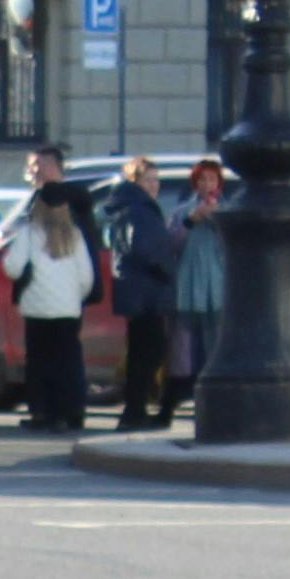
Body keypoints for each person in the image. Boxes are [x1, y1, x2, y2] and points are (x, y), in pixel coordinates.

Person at [104, 158, 187, 427]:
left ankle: (135, 409)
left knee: (143, 351)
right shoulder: (138, 208)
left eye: (156, 179)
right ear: (135, 181)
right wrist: (166, 269)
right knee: (149, 351)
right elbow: (144, 247)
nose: (154, 185)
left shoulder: (133, 206)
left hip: (139, 289)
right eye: (148, 179)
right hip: (145, 291)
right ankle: (134, 411)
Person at [8, 187, 97, 429]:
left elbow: (12, 267)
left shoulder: (28, 234)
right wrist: (74, 298)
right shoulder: (75, 236)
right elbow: (86, 277)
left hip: (37, 309)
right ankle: (73, 411)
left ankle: (44, 412)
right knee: (69, 362)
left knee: (39, 362)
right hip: (68, 310)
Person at [167, 156, 230, 407]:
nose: (206, 184)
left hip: (217, 285)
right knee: (185, 342)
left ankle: (214, 387)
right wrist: (191, 220)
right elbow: (171, 245)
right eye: (201, 179)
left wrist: (216, 220)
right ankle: (184, 387)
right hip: (188, 284)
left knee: (214, 338)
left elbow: (233, 246)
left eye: (211, 179)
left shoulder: (227, 212)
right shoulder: (182, 212)